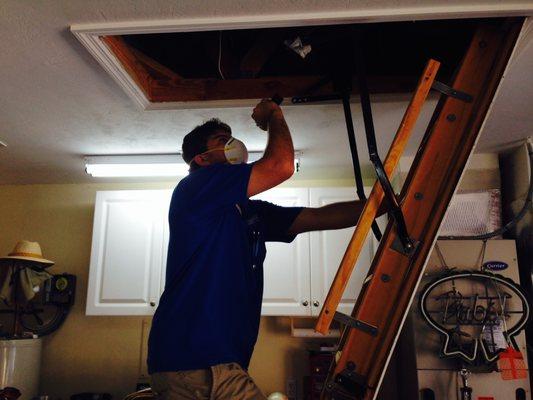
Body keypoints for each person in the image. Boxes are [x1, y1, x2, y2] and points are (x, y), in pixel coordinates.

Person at [148, 99, 368, 400]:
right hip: (197, 361)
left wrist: (382, 205)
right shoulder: (197, 186)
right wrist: (274, 115)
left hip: (208, 363)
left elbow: (318, 217)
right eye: (223, 141)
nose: (234, 145)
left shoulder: (249, 212)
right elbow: (280, 166)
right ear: (201, 159)